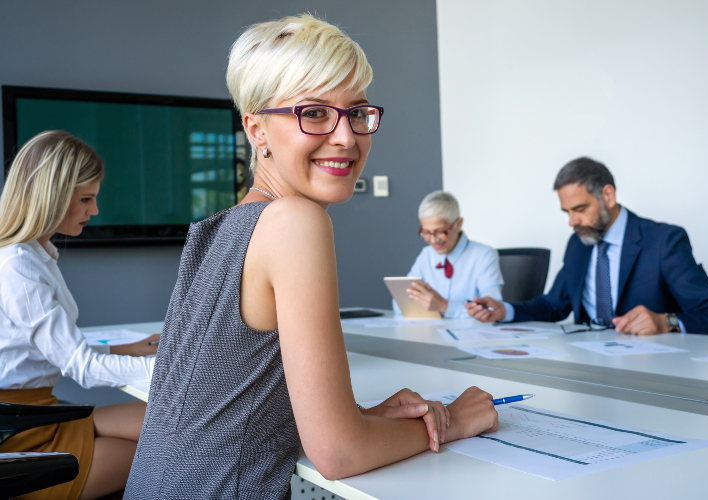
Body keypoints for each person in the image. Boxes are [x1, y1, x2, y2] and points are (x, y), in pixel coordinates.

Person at [125, 15, 498, 499]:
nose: (346, 136)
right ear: (256, 128)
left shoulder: (218, 230)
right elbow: (339, 454)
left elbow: (229, 407)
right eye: (315, 113)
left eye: (357, 112)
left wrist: (361, 417)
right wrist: (453, 421)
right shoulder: (296, 221)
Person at [0, 130, 159, 499]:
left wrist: (123, 351)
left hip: (42, 415)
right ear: (51, 198)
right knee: (168, 454)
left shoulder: (37, 254)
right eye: (86, 199)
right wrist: (168, 369)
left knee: (174, 425)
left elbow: (43, 348)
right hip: (20, 436)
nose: (95, 210)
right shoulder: (16, 266)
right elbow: (80, 367)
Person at [466, 157, 708, 336]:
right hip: (589, 365)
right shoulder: (579, 243)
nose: (572, 221)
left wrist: (666, 322)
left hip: (651, 370)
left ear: (608, 195)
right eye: (566, 212)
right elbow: (554, 305)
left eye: (580, 209)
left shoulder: (663, 241)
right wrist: (505, 310)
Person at [394, 190, 503, 318]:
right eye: (426, 232)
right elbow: (400, 304)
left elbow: (492, 309)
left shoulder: (484, 255)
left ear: (459, 224)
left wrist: (444, 306)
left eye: (440, 232)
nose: (434, 240)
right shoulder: (426, 255)